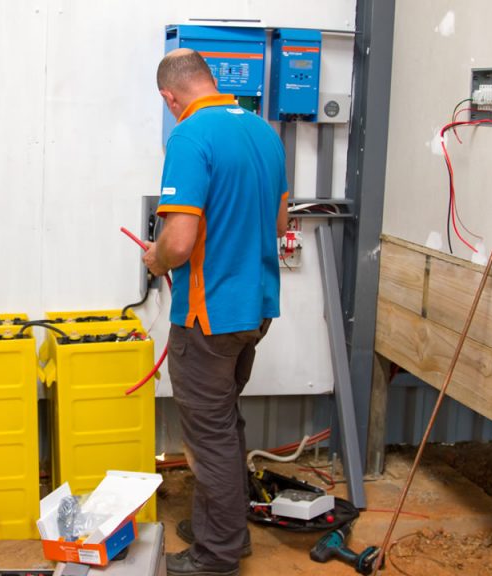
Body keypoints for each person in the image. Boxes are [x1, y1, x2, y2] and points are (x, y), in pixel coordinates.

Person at [142, 48, 288, 576]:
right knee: (223, 424)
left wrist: (155, 256)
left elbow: (177, 243)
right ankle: (223, 528)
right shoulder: (264, 132)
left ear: (169, 96)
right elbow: (278, 223)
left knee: (210, 435)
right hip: (255, 311)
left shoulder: (189, 135)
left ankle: (218, 553)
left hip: (208, 317)